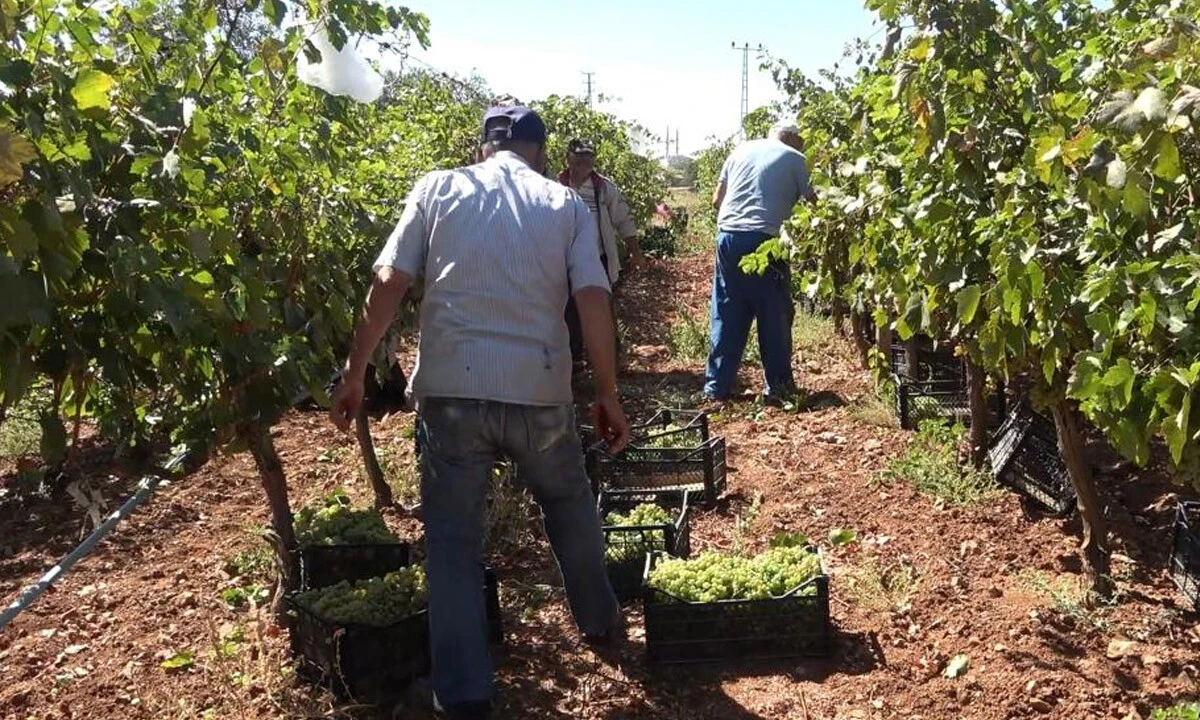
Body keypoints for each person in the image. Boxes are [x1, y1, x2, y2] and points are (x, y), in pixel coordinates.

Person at [329, 106, 630, 720]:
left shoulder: (438, 188)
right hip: (538, 388)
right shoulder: (565, 204)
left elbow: (390, 277)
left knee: (452, 543)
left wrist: (356, 369)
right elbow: (592, 297)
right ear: (539, 154)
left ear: (481, 149)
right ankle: (600, 622)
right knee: (568, 502)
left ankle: (464, 694)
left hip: (452, 395)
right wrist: (607, 391)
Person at [705, 123, 818, 405]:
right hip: (765, 239)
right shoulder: (796, 158)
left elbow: (717, 200)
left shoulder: (740, 150)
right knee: (773, 312)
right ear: (793, 139)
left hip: (728, 237)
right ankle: (778, 387)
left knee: (728, 309)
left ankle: (716, 388)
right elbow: (816, 202)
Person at [558, 138, 645, 367]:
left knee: (602, 308)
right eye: (579, 157)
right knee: (567, 311)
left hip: (597, 258)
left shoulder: (603, 187)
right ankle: (574, 360)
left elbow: (623, 219)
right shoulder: (556, 185)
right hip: (563, 259)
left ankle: (611, 361)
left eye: (589, 157)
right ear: (568, 158)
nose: (584, 162)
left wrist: (635, 251)